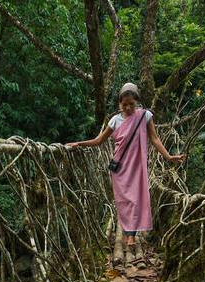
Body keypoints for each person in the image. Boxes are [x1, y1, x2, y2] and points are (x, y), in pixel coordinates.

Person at [66, 83, 185, 247]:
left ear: (137, 102)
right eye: (124, 104)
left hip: (137, 165)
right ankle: (128, 230)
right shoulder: (115, 120)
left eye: (131, 104)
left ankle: (131, 237)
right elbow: (99, 140)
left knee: (136, 199)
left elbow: (155, 139)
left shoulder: (145, 116)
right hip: (120, 167)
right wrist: (80, 144)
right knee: (123, 201)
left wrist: (169, 156)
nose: (128, 107)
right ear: (119, 104)